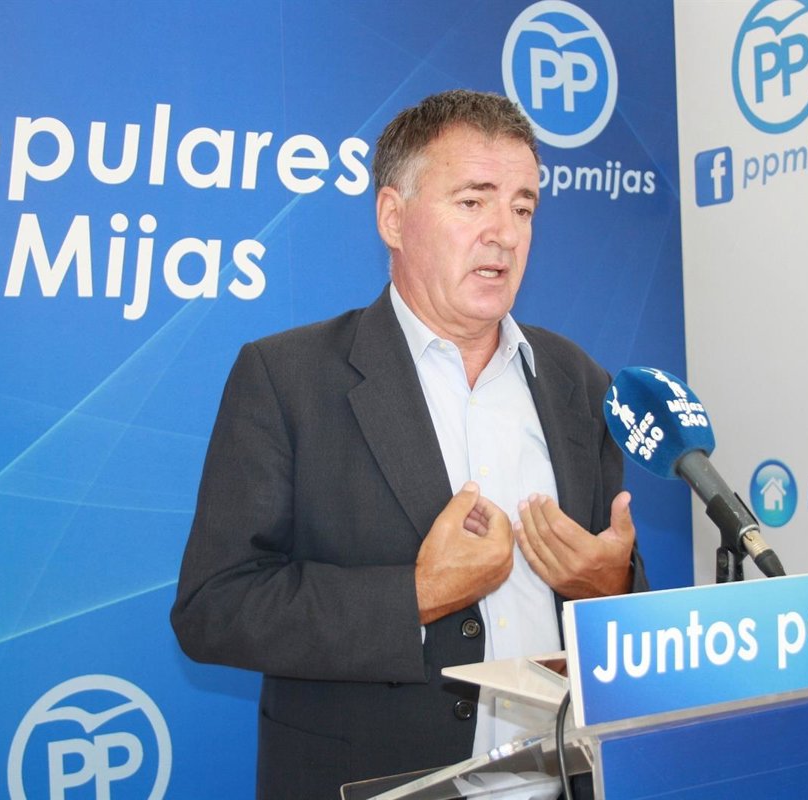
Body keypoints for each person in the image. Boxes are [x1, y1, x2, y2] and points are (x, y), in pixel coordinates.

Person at [171, 89, 647, 799]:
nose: (505, 234)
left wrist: (612, 586)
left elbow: (620, 589)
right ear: (393, 217)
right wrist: (417, 595)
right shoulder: (287, 378)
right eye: (473, 201)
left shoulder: (577, 379)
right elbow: (215, 608)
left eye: (523, 207)